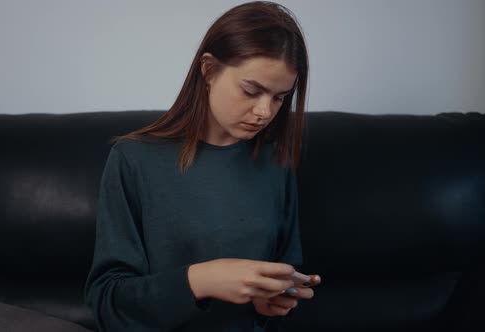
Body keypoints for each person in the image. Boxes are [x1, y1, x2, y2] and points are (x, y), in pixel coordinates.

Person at [84, 1, 321, 331]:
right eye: (252, 90)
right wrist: (201, 280)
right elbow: (108, 302)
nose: (265, 111)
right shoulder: (133, 160)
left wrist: (271, 302)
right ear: (208, 70)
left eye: (280, 97)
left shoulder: (276, 163)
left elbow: (286, 270)